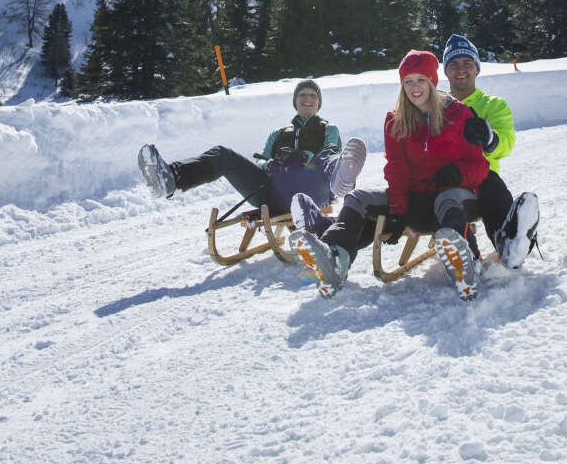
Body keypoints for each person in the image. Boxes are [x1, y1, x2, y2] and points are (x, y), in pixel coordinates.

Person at [288, 50, 489, 300]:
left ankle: (465, 263)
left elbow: (480, 166)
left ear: (432, 81)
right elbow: (396, 168)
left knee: (447, 200)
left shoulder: (459, 114)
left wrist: (457, 173)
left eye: (420, 80)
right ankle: (335, 257)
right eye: (408, 82)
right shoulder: (395, 120)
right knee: (358, 197)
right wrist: (397, 210)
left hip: (449, 205)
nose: (414, 88)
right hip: (415, 202)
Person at [137, 78, 365, 216]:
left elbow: (330, 152)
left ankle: (342, 182)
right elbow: (261, 161)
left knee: (328, 158)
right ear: (295, 101)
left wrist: (304, 157)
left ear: (319, 102)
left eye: (313, 96)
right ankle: (173, 179)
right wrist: (273, 163)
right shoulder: (278, 134)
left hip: (311, 191)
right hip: (274, 194)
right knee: (222, 154)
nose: (307, 99)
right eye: (302, 95)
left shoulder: (328, 128)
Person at [440, 33, 540, 270]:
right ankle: (465, 249)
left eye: (467, 63)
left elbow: (506, 142)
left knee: (491, 187)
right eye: (453, 64)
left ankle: (509, 242)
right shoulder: (437, 105)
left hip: (481, 180)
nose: (461, 69)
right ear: (446, 71)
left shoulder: (493, 105)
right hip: (446, 180)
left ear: (477, 68)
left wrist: (490, 139)